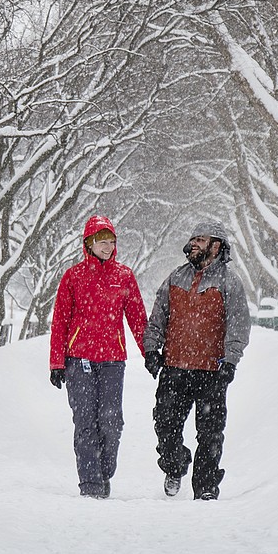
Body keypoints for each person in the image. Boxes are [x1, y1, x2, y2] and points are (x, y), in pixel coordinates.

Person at [142, 220, 251, 501]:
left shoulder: (230, 282)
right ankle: (175, 465)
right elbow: (158, 317)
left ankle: (205, 488)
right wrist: (152, 350)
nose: (193, 245)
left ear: (216, 246)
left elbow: (238, 325)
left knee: (211, 434)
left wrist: (230, 361)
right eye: (193, 240)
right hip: (174, 368)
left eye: (200, 240)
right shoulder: (175, 278)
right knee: (165, 427)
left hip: (212, 371)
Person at [49, 215, 148, 499]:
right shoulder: (73, 277)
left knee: (111, 421)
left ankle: (104, 472)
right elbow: (60, 322)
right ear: (89, 244)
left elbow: (138, 320)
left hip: (112, 361)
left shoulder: (124, 276)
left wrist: (150, 354)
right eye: (102, 241)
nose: (108, 246)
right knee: (85, 421)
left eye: (112, 241)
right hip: (78, 359)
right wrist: (57, 363)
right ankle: (91, 484)